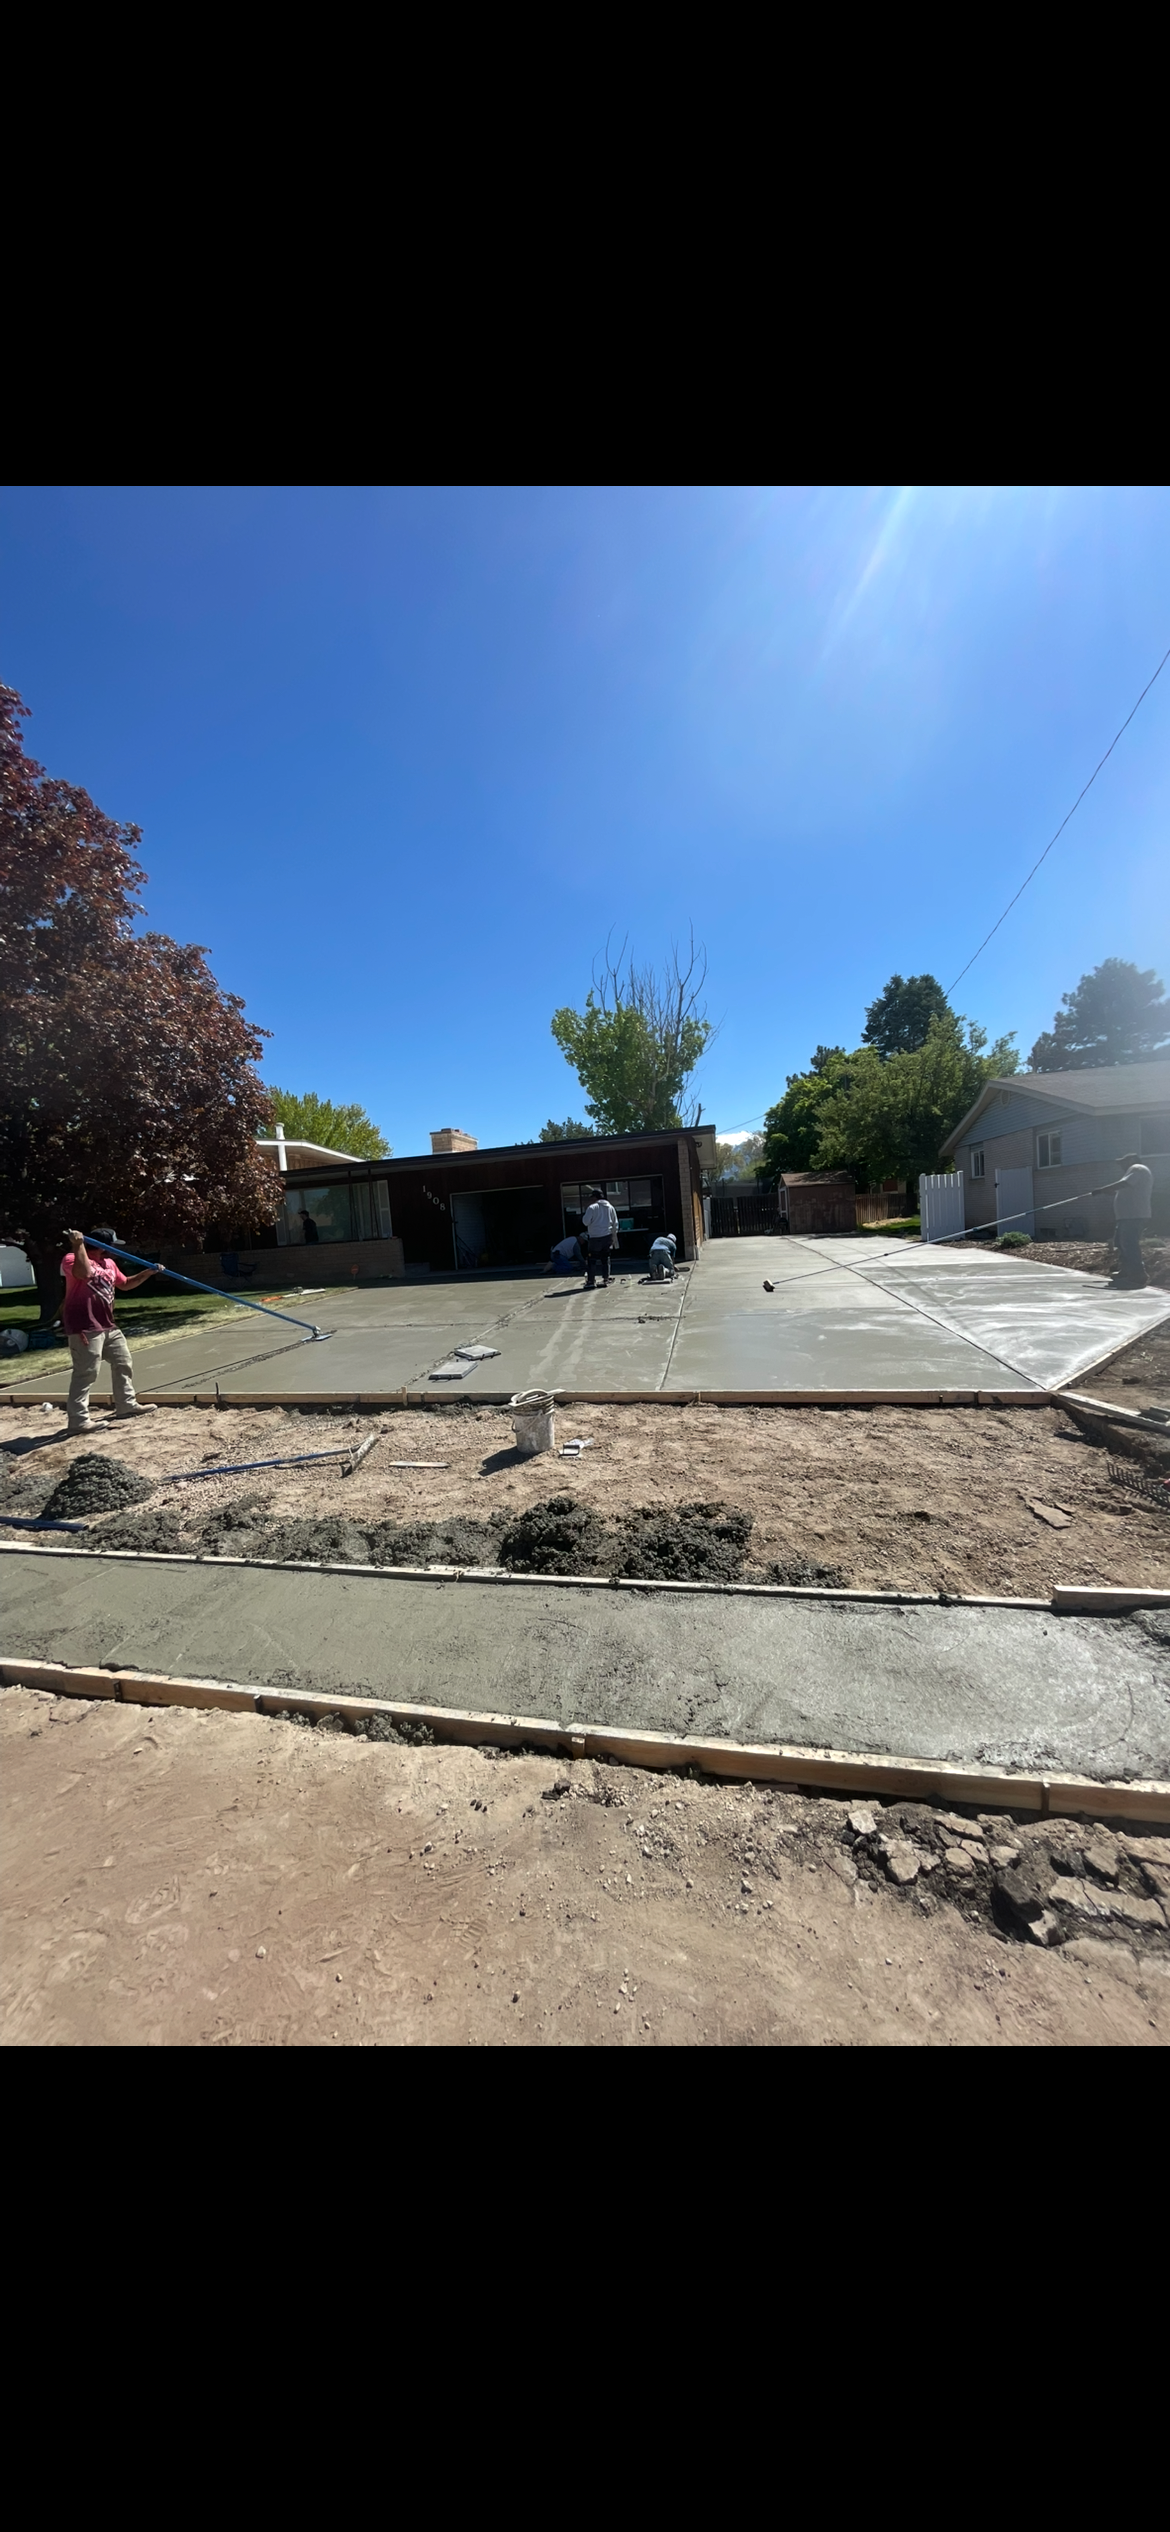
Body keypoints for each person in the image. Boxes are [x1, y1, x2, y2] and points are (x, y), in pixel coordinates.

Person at [61, 1229, 162, 1434]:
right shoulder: (71, 1258)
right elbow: (85, 1273)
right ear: (100, 1245)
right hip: (84, 1326)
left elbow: (124, 1284)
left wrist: (148, 1272)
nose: (116, 1249)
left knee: (123, 1362)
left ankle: (126, 1405)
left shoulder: (109, 1264)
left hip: (108, 1325)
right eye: (113, 1245)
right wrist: (78, 1245)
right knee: (86, 1372)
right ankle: (78, 1421)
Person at [1090, 1152, 1153, 1288]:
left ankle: (1138, 1274)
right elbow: (1126, 1188)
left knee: (1129, 1244)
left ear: (1130, 1160)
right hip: (1126, 1217)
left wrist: (1102, 1190)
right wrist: (1111, 1191)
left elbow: (1125, 1184)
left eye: (1122, 1162)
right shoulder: (1134, 1172)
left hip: (1133, 1216)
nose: (1121, 1166)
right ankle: (1126, 1271)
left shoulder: (1137, 1168)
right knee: (1120, 1243)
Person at [581, 1186, 618, 1289]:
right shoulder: (610, 1207)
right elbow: (615, 1223)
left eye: (592, 1197)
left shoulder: (592, 1208)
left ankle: (591, 1281)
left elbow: (585, 1222)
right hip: (607, 1236)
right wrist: (614, 1238)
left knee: (592, 1259)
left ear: (595, 1197)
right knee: (605, 1258)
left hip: (595, 1237)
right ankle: (606, 1278)